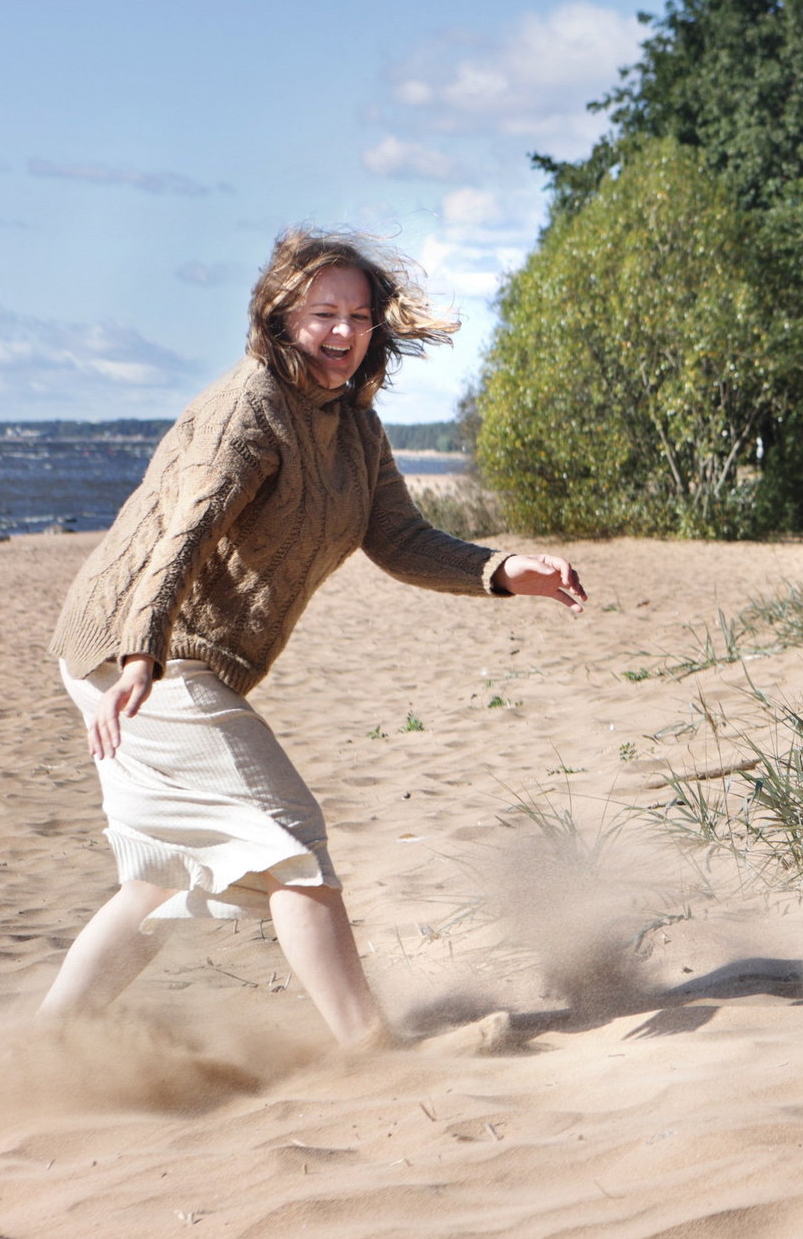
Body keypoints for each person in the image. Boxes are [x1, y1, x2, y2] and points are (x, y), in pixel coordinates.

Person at [40, 228, 587, 1046]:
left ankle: (45, 1045)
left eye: (358, 316)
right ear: (279, 315)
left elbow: (400, 540)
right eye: (322, 312)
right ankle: (372, 1047)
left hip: (160, 659)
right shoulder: (250, 407)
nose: (341, 332)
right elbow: (180, 539)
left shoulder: (353, 426)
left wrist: (506, 570)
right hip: (139, 654)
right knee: (289, 837)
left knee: (165, 870)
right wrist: (140, 653)